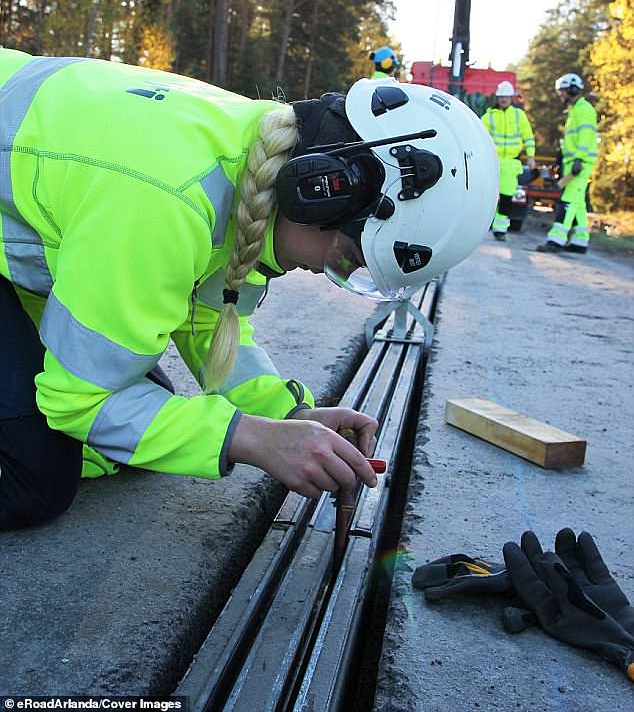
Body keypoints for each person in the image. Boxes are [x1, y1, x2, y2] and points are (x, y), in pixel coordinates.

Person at [0, 50, 498, 528]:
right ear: (320, 190)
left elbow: (206, 317)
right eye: (348, 258)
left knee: (136, 409)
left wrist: (289, 414)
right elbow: (79, 400)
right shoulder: (168, 203)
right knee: (37, 480)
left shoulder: (250, 156)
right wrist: (252, 438)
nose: (329, 271)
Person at [537, 73, 598, 254]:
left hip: (580, 164)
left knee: (567, 202)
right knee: (578, 203)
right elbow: (573, 139)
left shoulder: (584, 109)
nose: (561, 95)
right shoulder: (574, 110)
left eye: (563, 91)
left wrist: (578, 159)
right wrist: (559, 157)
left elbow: (586, 137)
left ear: (573, 89)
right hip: (573, 163)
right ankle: (580, 242)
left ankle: (556, 240)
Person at [482, 80, 536, 240]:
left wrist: (531, 156)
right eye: (501, 97)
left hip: (511, 163)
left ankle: (500, 229)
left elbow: (528, 136)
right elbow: (479, 136)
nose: (503, 99)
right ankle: (482, 226)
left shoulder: (519, 116)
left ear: (511, 98)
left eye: (506, 97)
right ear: (497, 98)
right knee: (487, 196)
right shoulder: (489, 116)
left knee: (506, 197)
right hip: (493, 162)